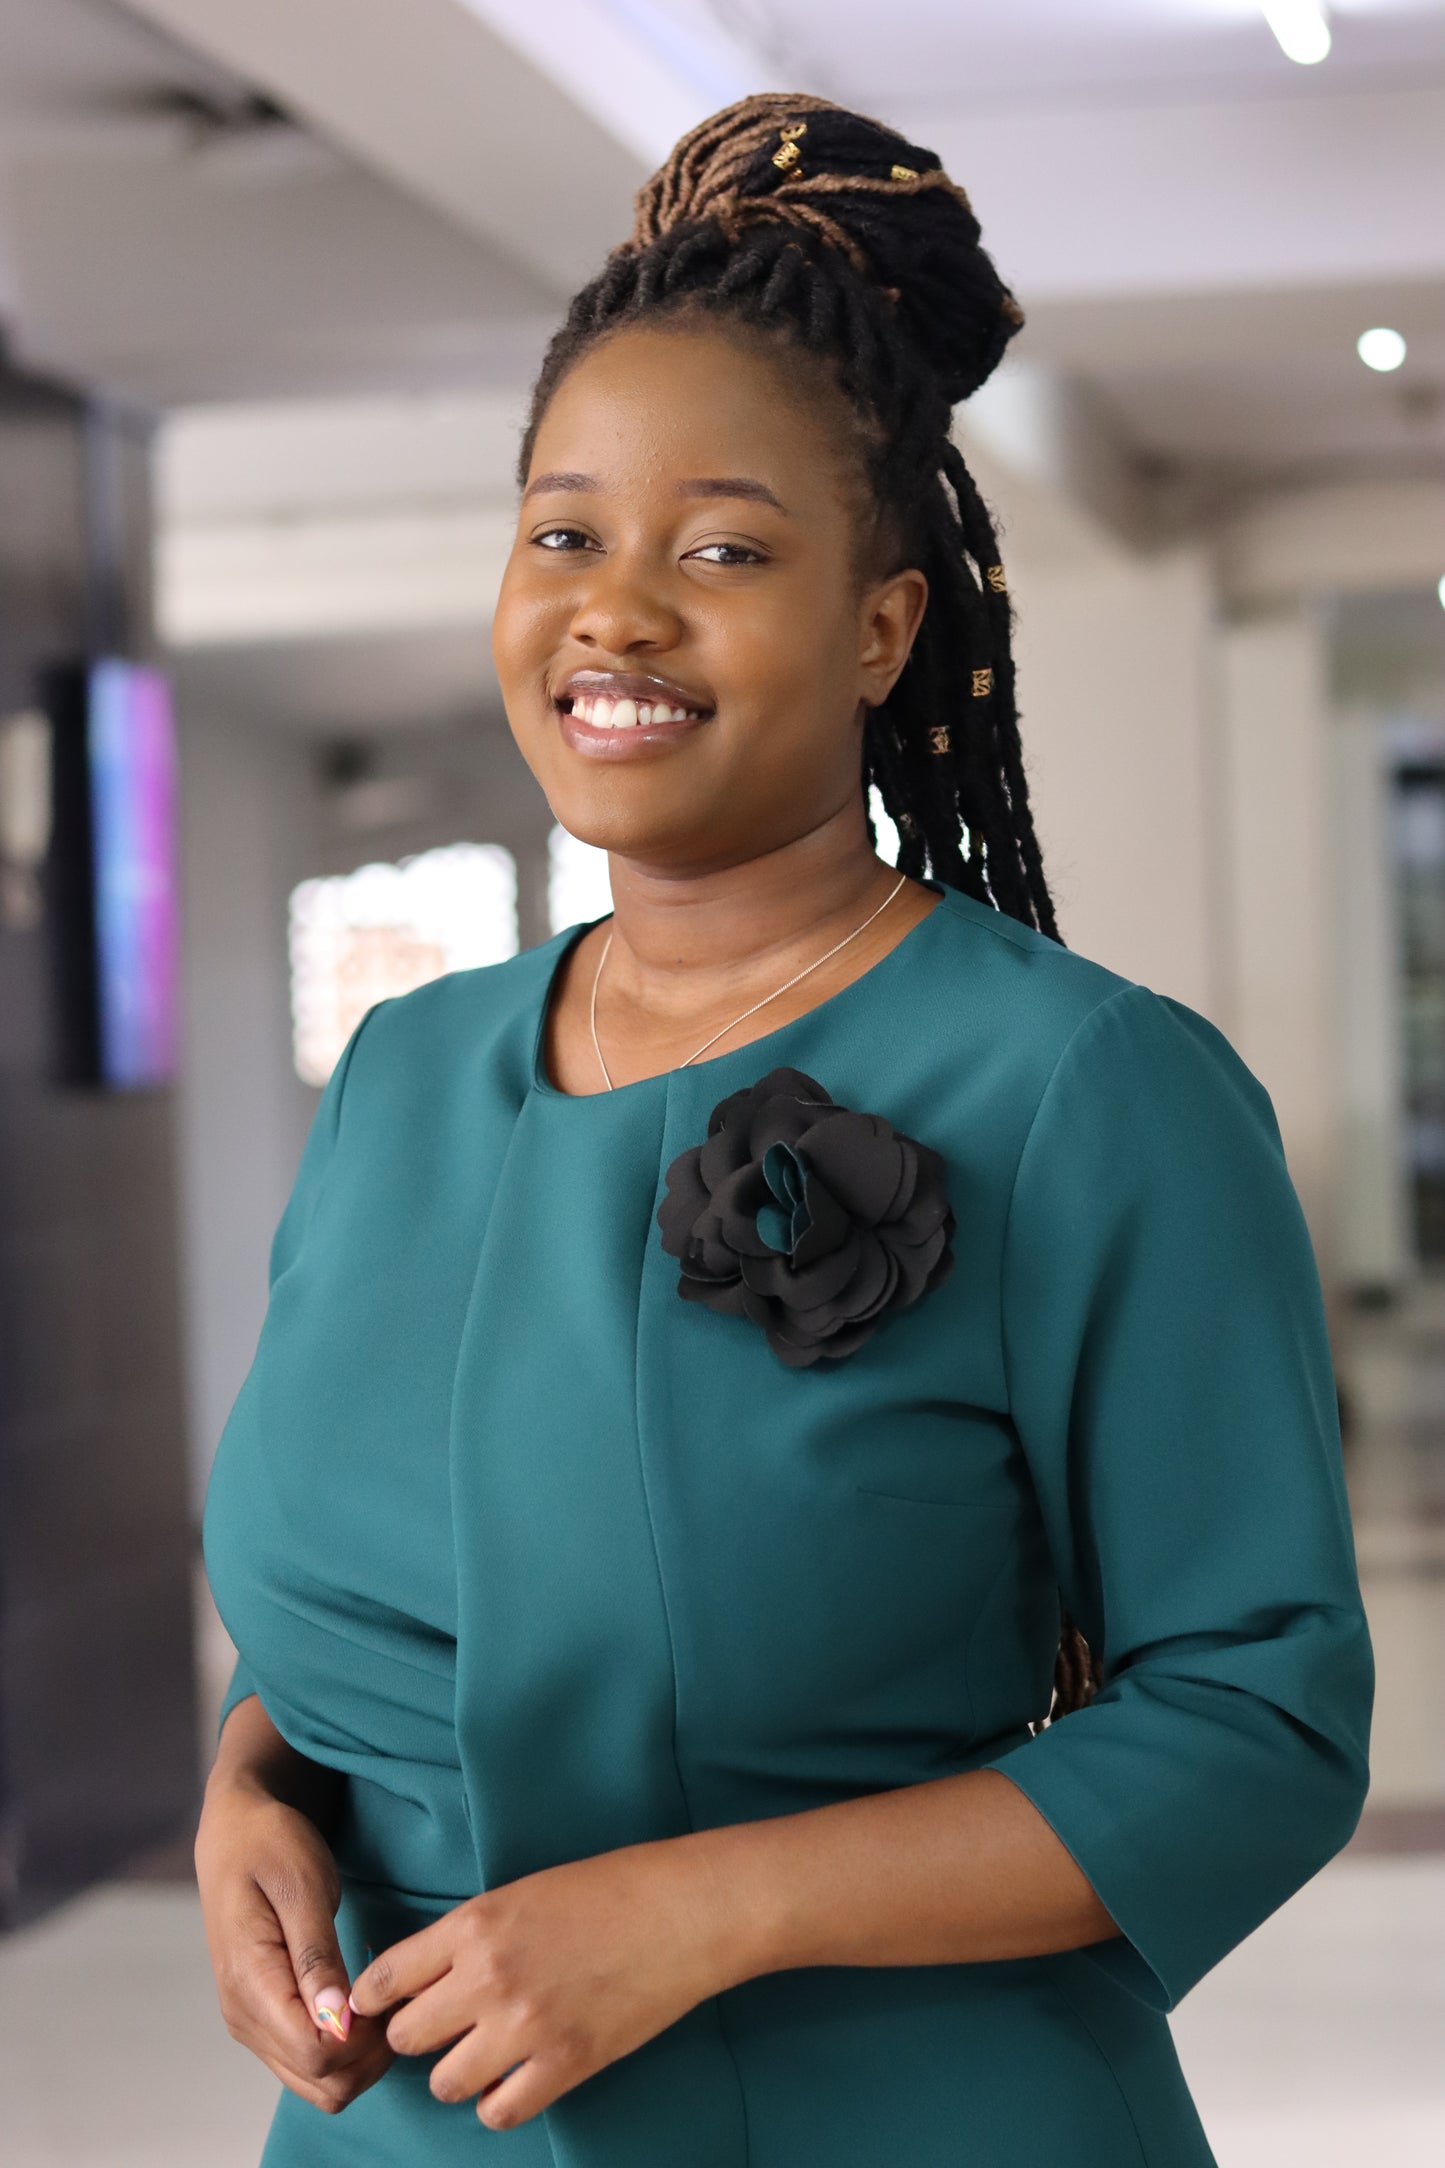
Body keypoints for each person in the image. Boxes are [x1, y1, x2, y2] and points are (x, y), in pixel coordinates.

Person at [195, 93, 1374, 2167]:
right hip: (410, 2131)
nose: (616, 611)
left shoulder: (1087, 1088)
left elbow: (1255, 1718)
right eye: (563, 531)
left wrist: (697, 1913)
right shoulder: (405, 1074)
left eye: (722, 548)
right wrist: (251, 1790)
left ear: (880, 628)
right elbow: (390, 1596)